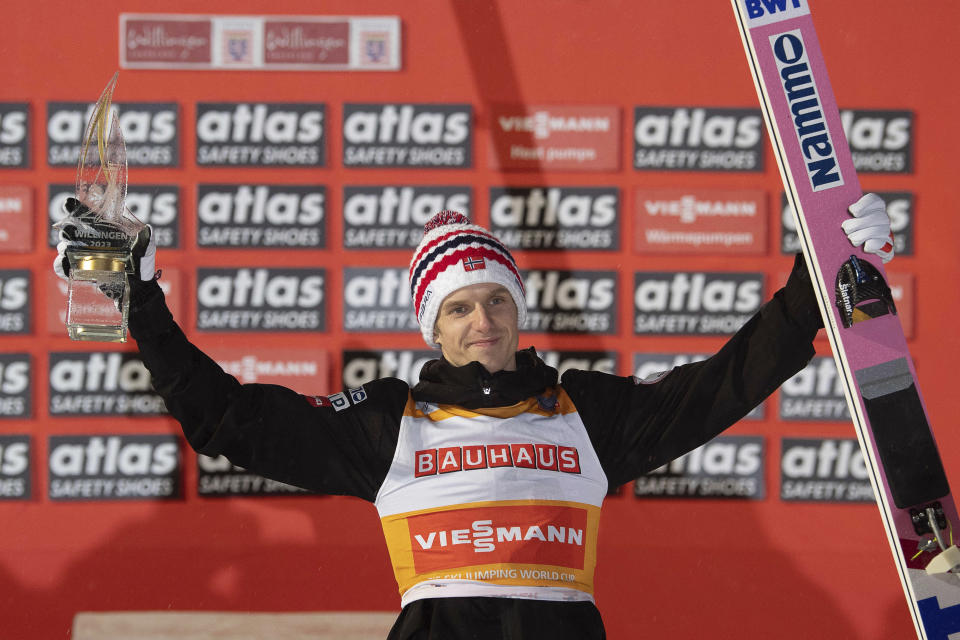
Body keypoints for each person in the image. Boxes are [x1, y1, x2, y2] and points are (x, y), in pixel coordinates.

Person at [55, 194, 893, 639]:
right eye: (458, 308)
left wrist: (814, 283)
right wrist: (141, 303)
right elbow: (229, 420)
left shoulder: (582, 411)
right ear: (434, 325)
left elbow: (723, 385)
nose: (481, 321)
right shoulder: (391, 423)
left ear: (520, 310)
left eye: (496, 300)